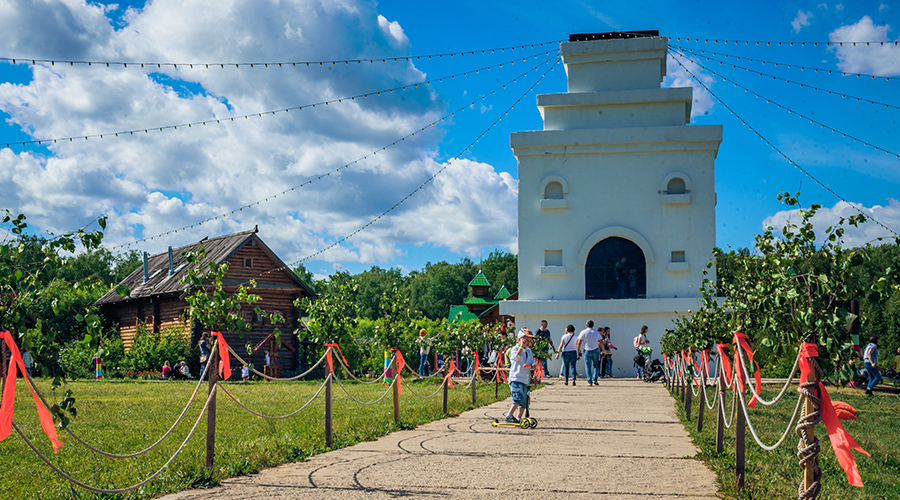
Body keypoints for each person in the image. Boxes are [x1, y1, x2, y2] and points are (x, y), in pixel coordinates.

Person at [503, 329, 536, 423]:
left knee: (524, 401)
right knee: (518, 398)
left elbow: (531, 361)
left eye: (530, 341)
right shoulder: (514, 349)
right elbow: (516, 358)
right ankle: (509, 415)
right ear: (520, 339)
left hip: (525, 380)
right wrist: (521, 347)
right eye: (527, 340)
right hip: (516, 378)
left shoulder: (529, 351)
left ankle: (519, 418)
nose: (529, 343)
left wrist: (533, 365)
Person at [576, 320, 602, 386]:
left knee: (588, 366)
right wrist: (603, 351)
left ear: (586, 325)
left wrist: (578, 350)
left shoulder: (583, 332)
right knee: (596, 365)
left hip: (587, 350)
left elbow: (579, 342)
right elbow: (601, 342)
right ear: (593, 325)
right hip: (595, 350)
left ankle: (589, 381)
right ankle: (595, 379)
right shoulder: (596, 332)